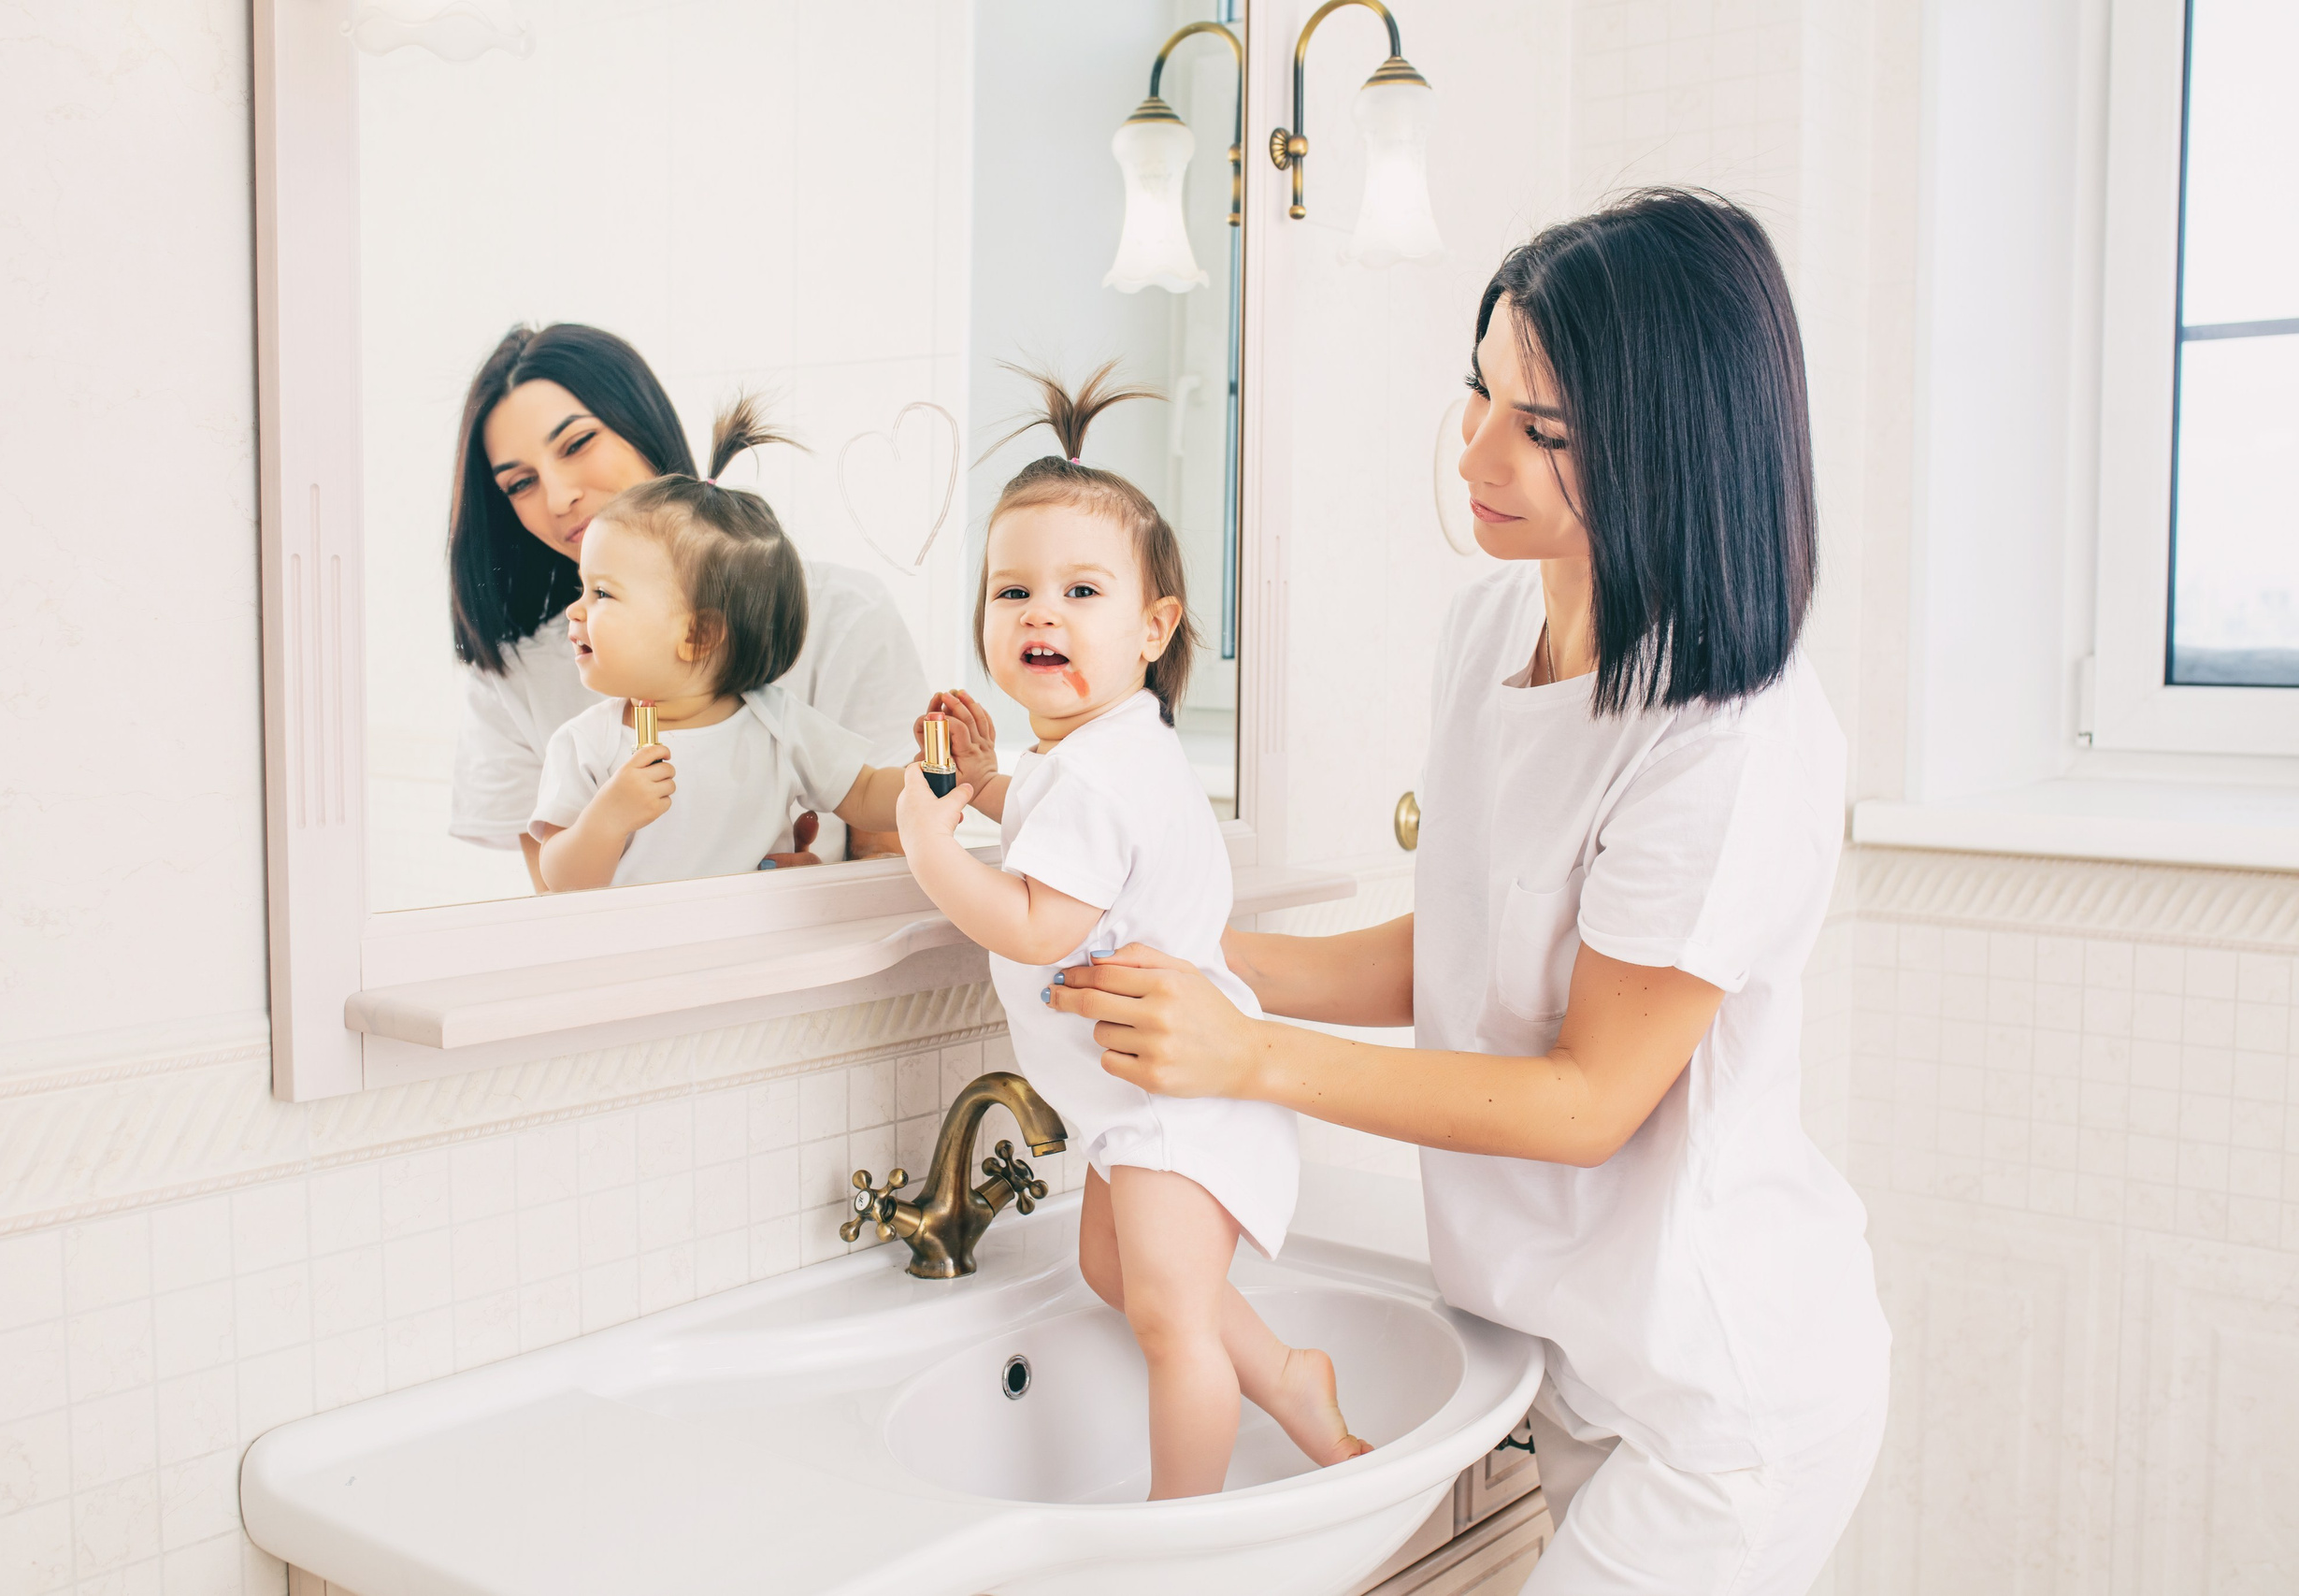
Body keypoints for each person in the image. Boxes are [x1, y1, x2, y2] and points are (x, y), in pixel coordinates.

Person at [1048, 191, 1889, 1591]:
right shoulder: (1494, 623)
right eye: (1479, 390)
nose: (1475, 450)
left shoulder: (1729, 739)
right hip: (1574, 1351)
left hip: (1721, 1394)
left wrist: (1248, 1049)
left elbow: (1585, 1095)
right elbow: (1472, 946)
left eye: (1541, 431)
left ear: (1670, 451)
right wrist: (1182, 953)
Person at [895, 367, 1369, 1501]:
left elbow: (1032, 920)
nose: (1040, 614)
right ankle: (1294, 1380)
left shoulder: (1097, 777)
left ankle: (1178, 1543)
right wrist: (993, 785)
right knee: (1117, 1272)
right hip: (1147, 1095)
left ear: (1154, 626)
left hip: (1173, 1101)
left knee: (1170, 1329)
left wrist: (929, 841)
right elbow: (1068, 837)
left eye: (1081, 591)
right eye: (1011, 593)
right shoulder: (1104, 755)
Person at [447, 323, 928, 883]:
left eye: (577, 444)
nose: (558, 498)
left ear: (701, 634)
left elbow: (881, 822)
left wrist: (813, 888)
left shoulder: (826, 645)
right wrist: (609, 822)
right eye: (519, 483)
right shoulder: (563, 720)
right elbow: (563, 897)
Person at [530, 398, 919, 889]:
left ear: (697, 636)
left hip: (757, 954)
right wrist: (605, 821)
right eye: (581, 588)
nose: (575, 610)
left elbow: (863, 793)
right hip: (646, 960)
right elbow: (561, 884)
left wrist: (935, 777)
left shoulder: (777, 722)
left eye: (602, 593)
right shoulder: (587, 744)